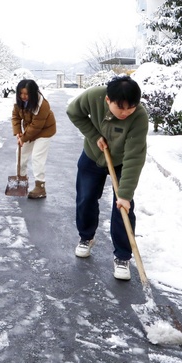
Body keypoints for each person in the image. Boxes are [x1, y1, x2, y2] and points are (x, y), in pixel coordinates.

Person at [66, 75, 148, 281]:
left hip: (121, 161)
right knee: (86, 198)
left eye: (131, 107)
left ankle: (122, 256)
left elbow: (134, 156)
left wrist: (125, 195)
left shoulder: (139, 117)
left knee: (123, 207)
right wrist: (94, 136)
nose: (126, 112)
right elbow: (73, 112)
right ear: (108, 100)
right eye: (121, 107)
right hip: (93, 155)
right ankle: (86, 237)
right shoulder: (94, 96)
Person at [11, 79, 56, 199]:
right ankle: (21, 181)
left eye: (26, 94)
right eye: (21, 93)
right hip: (30, 130)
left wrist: (24, 138)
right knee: (20, 154)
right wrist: (18, 132)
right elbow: (15, 117)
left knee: (37, 156)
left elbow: (36, 126)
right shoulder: (18, 102)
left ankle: (40, 186)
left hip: (45, 130)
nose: (23, 96)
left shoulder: (42, 104)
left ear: (33, 93)